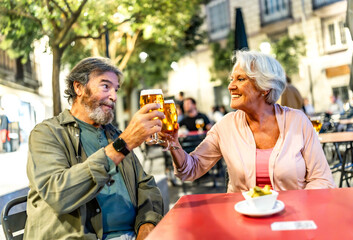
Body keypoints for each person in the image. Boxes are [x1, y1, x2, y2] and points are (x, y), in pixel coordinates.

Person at [24, 57, 164, 240]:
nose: (114, 96)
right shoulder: (47, 133)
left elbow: (146, 185)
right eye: (105, 86)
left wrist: (147, 224)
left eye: (116, 89)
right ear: (79, 87)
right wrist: (122, 145)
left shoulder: (113, 134)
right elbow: (58, 194)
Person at [162, 50, 335, 192]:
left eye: (240, 79)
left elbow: (322, 179)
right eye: (232, 79)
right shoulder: (226, 126)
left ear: (265, 88)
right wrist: (173, 142)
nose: (230, 86)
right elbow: (190, 170)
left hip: (291, 219)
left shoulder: (298, 121)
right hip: (242, 221)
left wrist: (296, 208)